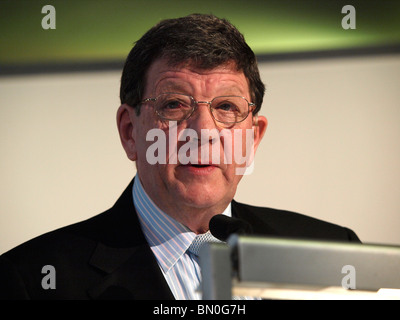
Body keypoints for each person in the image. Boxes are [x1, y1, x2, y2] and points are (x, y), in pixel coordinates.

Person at [0, 14, 360, 300]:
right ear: (130, 132)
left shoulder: (333, 254)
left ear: (253, 137)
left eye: (226, 107)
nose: (203, 131)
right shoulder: (31, 280)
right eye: (174, 105)